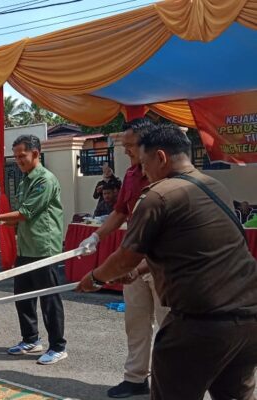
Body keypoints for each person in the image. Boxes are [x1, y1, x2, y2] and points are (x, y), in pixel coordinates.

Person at [77, 125, 257, 400]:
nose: (144, 171)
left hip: (199, 323)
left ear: (160, 157)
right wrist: (137, 271)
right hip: (247, 319)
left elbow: (126, 255)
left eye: (145, 163)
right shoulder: (215, 186)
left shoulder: (158, 195)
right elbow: (193, 250)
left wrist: (95, 279)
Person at [80, 118, 169, 398]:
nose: (126, 151)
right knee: (136, 321)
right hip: (133, 258)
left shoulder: (165, 175)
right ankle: (135, 378)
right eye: (125, 146)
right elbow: (120, 212)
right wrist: (96, 237)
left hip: (161, 262)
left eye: (131, 146)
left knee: (168, 325)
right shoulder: (130, 175)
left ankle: (167, 382)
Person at [0, 134, 68, 365]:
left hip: (44, 248)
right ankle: (31, 339)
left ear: (36, 153)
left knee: (49, 299)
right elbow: (18, 218)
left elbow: (25, 213)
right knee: (23, 297)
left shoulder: (44, 180)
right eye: (15, 157)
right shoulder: (25, 179)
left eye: (22, 156)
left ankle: (58, 346)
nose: (18, 160)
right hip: (26, 247)